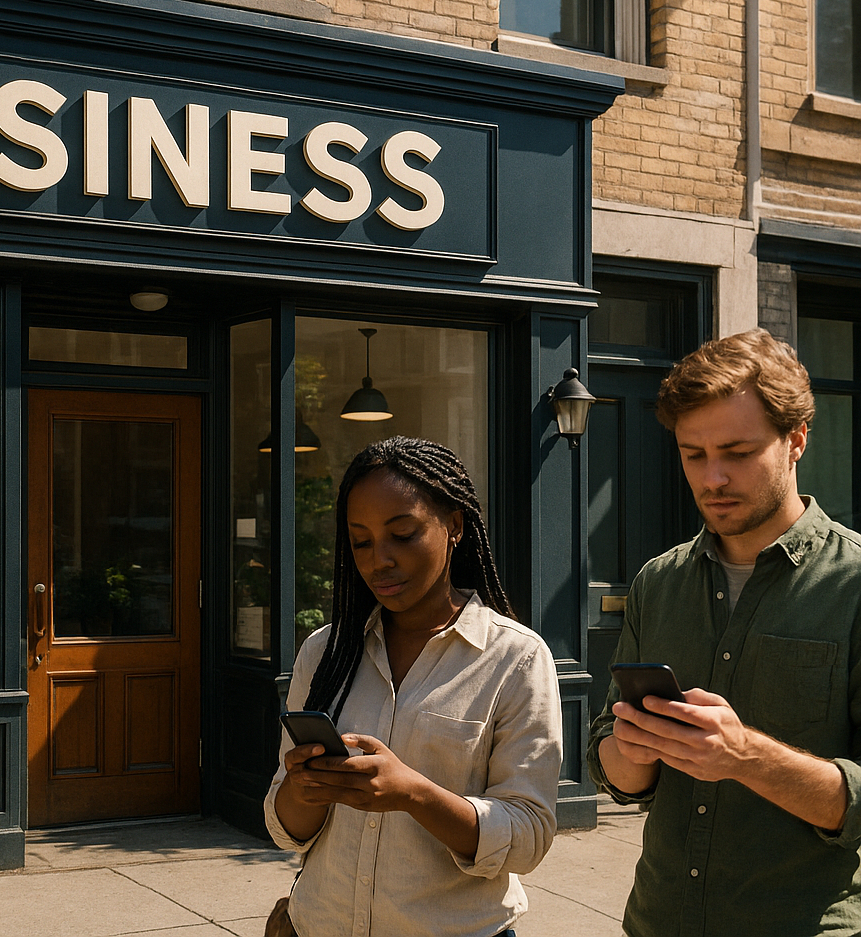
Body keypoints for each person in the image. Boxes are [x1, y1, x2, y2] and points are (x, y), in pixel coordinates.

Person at [587, 328, 861, 936]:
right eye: (694, 454)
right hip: (658, 922)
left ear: (796, 441)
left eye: (737, 452)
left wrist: (746, 757)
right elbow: (612, 759)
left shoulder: (855, 586)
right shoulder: (659, 582)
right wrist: (629, 754)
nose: (712, 479)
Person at [264, 436, 562, 937]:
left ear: (455, 526)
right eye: (360, 541)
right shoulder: (325, 653)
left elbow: (528, 837)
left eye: (402, 534)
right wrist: (303, 787)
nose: (378, 559)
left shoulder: (515, 658)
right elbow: (285, 829)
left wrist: (414, 794)